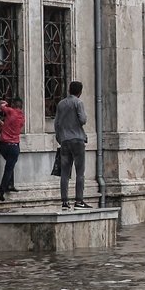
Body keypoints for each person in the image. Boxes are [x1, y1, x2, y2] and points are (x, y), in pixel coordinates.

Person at [55, 81, 91, 210]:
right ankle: (79, 200)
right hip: (77, 140)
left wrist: (59, 137)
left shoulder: (61, 104)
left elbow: (57, 123)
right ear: (80, 93)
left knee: (65, 172)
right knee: (80, 172)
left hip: (64, 141)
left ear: (69, 90)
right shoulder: (78, 102)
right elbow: (83, 120)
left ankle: (65, 201)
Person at [0, 97, 24, 201]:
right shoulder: (22, 118)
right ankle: (1, 193)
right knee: (9, 168)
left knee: (9, 166)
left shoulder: (11, 112)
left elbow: (1, 107)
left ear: (13, 106)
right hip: (14, 146)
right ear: (21, 107)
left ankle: (10, 184)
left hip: (3, 145)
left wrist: (5, 104)